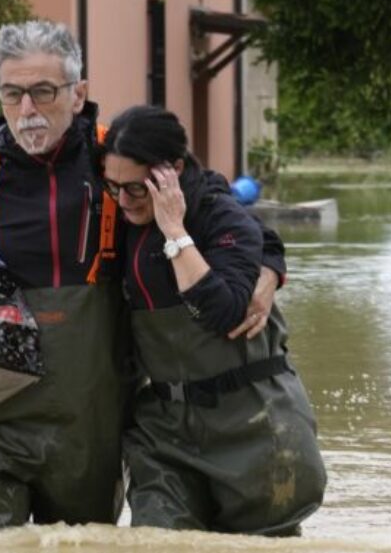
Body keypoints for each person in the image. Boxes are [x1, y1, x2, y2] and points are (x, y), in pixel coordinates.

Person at [0, 21, 286, 530]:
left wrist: (271, 270)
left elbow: (229, 216)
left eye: (43, 92)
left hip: (90, 427)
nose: (27, 111)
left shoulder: (117, 161)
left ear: (79, 94)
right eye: (13, 94)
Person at [103, 105, 326, 536]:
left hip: (254, 426)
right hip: (166, 430)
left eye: (136, 189)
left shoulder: (221, 216)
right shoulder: (124, 215)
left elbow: (221, 314)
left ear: (173, 173)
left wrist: (175, 233)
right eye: (113, 187)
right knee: (157, 541)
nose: (123, 201)